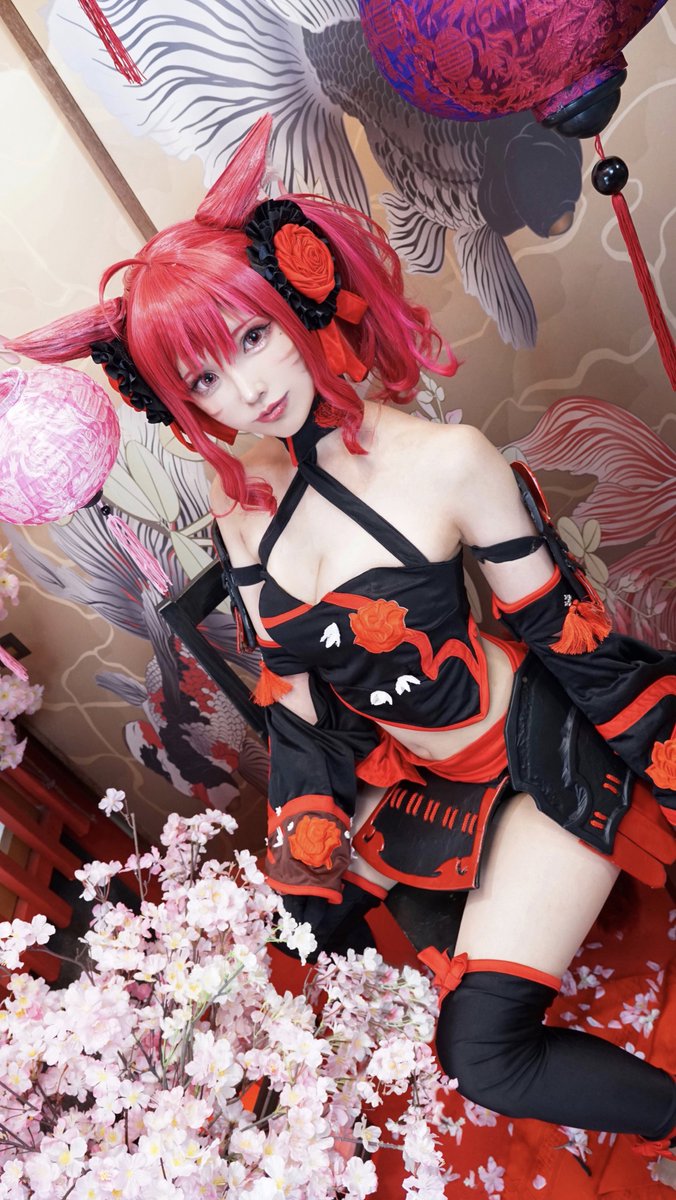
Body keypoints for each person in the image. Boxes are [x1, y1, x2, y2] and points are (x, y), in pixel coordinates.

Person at [7, 114, 676, 1178]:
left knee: (480, 1054)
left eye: (251, 337)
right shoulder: (240, 514)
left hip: (537, 755)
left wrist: (662, 755)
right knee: (329, 935)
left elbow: (564, 632)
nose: (247, 390)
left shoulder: (447, 460)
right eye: (204, 381)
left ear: (297, 299)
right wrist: (307, 846)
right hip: (417, 775)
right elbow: (302, 708)